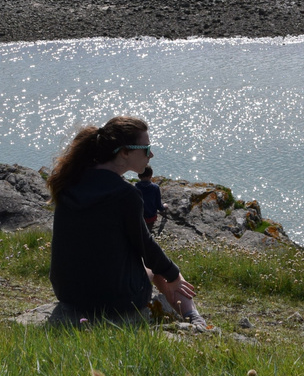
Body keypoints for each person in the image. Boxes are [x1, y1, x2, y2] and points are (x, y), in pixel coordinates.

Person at [46, 116, 198, 324]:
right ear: (124, 152)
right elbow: (145, 246)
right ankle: (193, 318)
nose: (151, 154)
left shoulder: (70, 181)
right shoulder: (125, 194)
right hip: (114, 300)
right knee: (159, 270)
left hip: (68, 293)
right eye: (146, 148)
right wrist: (174, 275)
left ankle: (191, 315)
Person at [137, 165, 163, 231]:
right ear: (151, 176)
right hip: (151, 218)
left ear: (139, 176)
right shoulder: (155, 187)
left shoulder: (136, 187)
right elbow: (159, 206)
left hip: (139, 218)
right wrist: (165, 206)